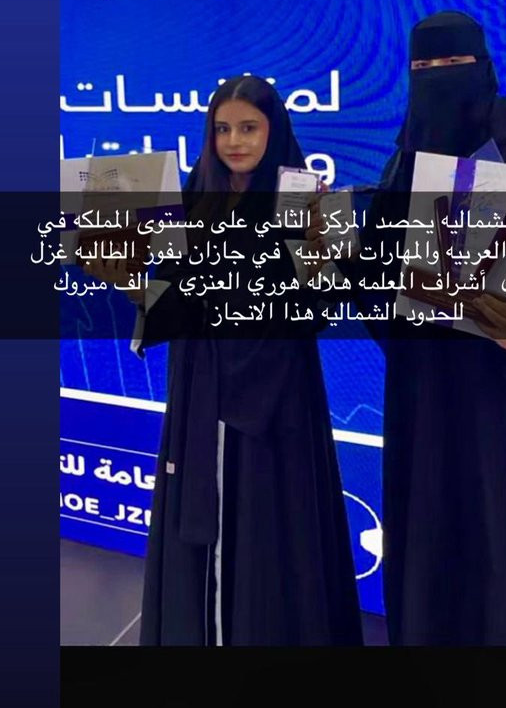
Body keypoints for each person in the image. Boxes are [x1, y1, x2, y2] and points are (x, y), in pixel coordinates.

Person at [309, 11, 506, 646]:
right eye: (423, 67)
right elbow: (382, 274)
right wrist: (336, 243)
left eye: (452, 65)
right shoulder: (406, 157)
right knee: (430, 547)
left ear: (483, 67)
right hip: (426, 394)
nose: (438, 79)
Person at [85, 75, 363, 646]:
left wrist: (330, 256)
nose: (234, 141)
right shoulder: (193, 201)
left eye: (249, 128)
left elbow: (325, 304)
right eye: (222, 129)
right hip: (202, 390)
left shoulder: (313, 199)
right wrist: (131, 283)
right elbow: (170, 298)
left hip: (278, 398)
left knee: (274, 529)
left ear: (274, 130)